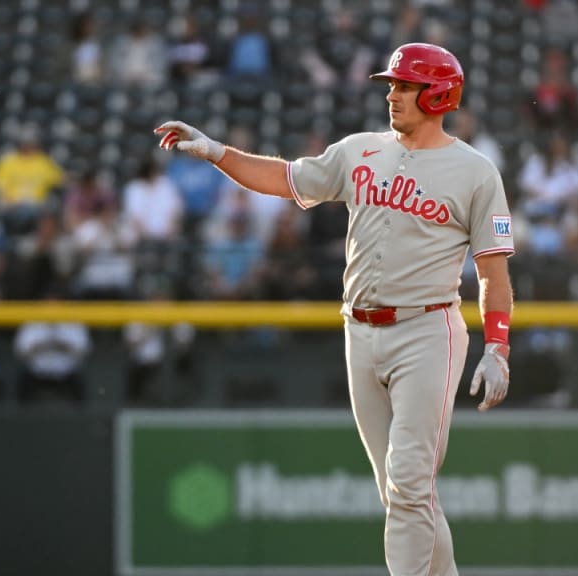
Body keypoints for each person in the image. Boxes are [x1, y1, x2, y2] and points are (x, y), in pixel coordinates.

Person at [155, 42, 514, 576]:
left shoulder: (476, 172)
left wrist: (498, 347)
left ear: (438, 93)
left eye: (404, 85)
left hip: (427, 329)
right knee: (400, 493)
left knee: (410, 477)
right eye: (391, 84)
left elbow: (493, 273)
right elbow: (286, 180)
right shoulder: (358, 150)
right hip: (360, 330)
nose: (391, 94)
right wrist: (216, 152)